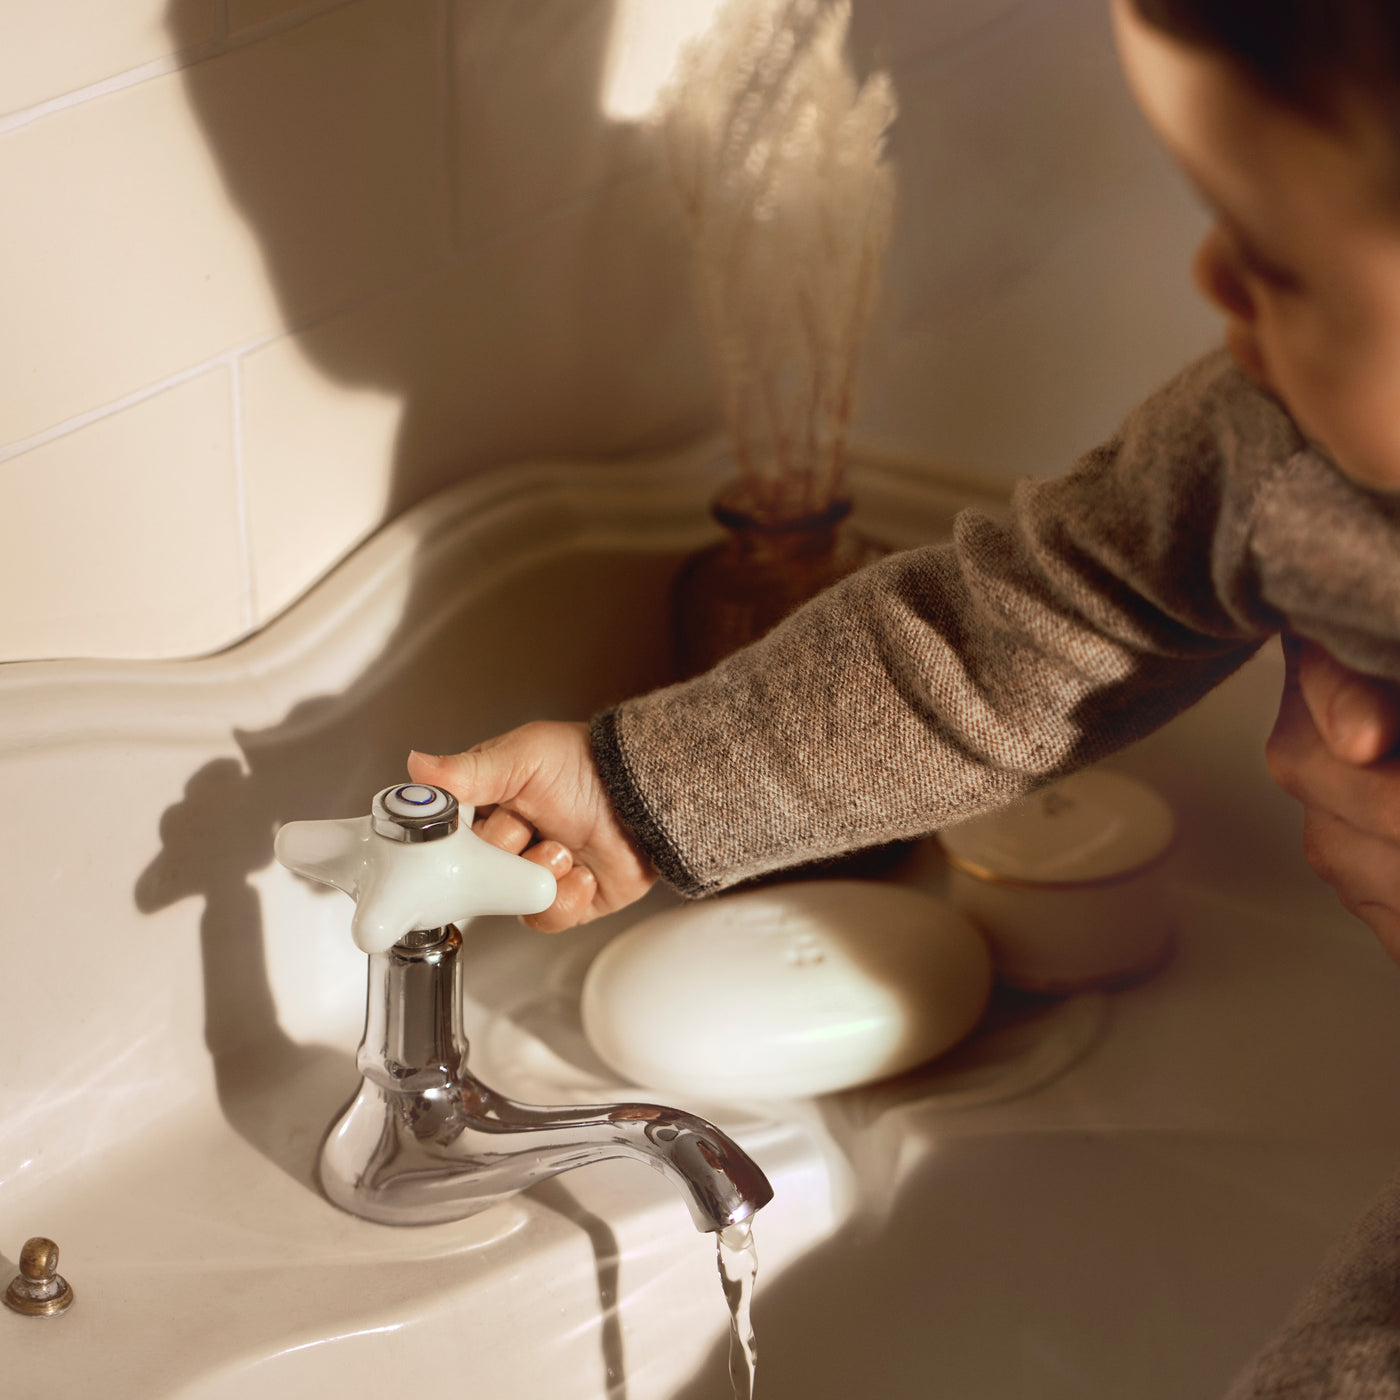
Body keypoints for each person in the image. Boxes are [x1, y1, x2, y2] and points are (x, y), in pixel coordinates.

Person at [410, 2, 1400, 1390]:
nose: (1211, 285)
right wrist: (639, 792)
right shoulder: (1275, 445)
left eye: (1276, 260)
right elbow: (1009, 630)